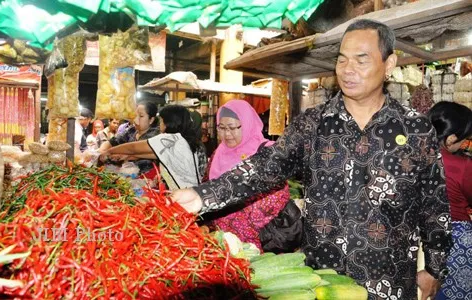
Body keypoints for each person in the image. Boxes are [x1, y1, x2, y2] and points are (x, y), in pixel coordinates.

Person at [172, 19, 451, 300]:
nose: (347, 70)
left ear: (389, 65)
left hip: (388, 279)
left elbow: (433, 203)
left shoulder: (416, 129)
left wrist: (435, 268)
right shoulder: (312, 124)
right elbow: (265, 166)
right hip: (322, 281)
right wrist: (203, 196)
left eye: (361, 60)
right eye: (341, 60)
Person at [202, 100, 290, 251]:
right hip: (222, 241)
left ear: (248, 123)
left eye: (232, 128)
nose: (227, 134)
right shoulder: (218, 153)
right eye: (221, 128)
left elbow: (279, 194)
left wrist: (238, 221)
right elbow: (207, 186)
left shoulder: (267, 152)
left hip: (258, 239)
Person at [100, 105, 206, 190]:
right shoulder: (182, 141)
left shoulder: (170, 139)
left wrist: (108, 151)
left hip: (184, 197)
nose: (159, 124)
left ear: (168, 122)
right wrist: (125, 156)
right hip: (190, 193)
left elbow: (133, 148)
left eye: (161, 120)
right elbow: (145, 154)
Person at [427, 101, 472, 300]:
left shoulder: (410, 157)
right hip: (458, 237)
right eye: (465, 138)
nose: (465, 143)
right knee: (458, 292)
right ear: (451, 138)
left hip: (424, 234)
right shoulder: (462, 165)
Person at [99, 101, 159, 176]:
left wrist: (109, 152)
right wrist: (101, 152)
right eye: (135, 115)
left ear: (151, 120)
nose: (136, 120)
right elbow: (113, 141)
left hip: (147, 179)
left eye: (141, 116)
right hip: (127, 176)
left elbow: (133, 148)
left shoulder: (155, 134)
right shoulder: (132, 130)